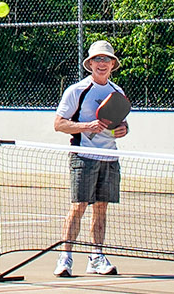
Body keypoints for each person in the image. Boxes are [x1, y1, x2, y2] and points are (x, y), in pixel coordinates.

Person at [51, 40, 130, 277]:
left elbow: (121, 124)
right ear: (90, 64)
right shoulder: (76, 91)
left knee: (101, 208)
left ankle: (97, 256)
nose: (102, 63)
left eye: (106, 59)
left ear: (113, 64)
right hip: (83, 156)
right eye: (97, 59)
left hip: (109, 157)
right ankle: (65, 257)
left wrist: (123, 130)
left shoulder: (117, 93)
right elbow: (59, 124)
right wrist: (88, 126)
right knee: (79, 206)